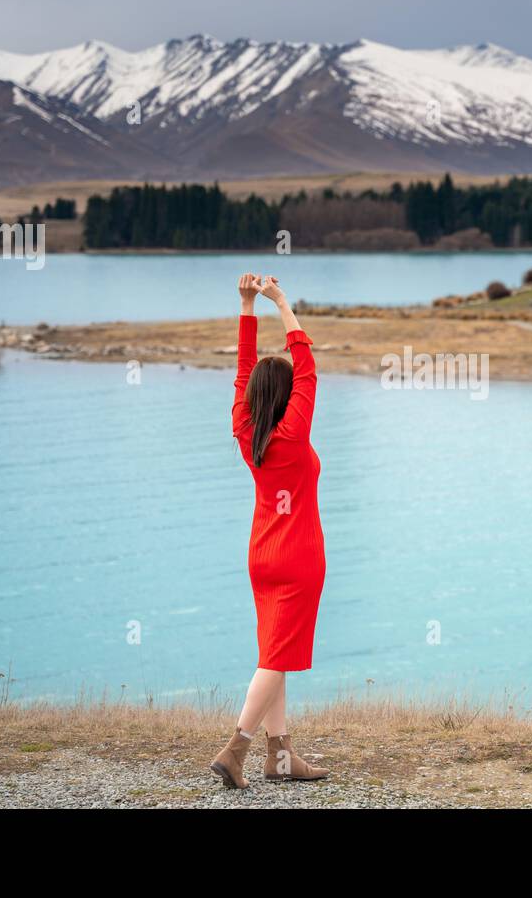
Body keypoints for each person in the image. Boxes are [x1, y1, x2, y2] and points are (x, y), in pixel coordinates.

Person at [210, 273, 329, 788]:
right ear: (286, 399)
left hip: (261, 555)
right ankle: (235, 748)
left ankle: (279, 756)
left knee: (272, 654)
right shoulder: (294, 435)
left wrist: (245, 306)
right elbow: (308, 367)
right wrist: (280, 300)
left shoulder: (247, 433)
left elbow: (243, 374)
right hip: (299, 558)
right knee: (277, 657)